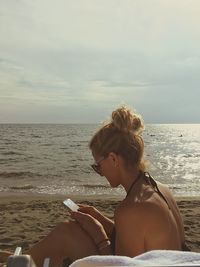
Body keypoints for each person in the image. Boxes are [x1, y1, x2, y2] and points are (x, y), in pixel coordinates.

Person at [0, 105, 187, 267]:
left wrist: (99, 234)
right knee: (70, 230)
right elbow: (140, 235)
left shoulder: (131, 209)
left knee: (68, 234)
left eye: (98, 165)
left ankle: (19, 261)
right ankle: (21, 259)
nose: (100, 172)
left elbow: (123, 264)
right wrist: (98, 218)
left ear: (113, 159)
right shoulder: (160, 189)